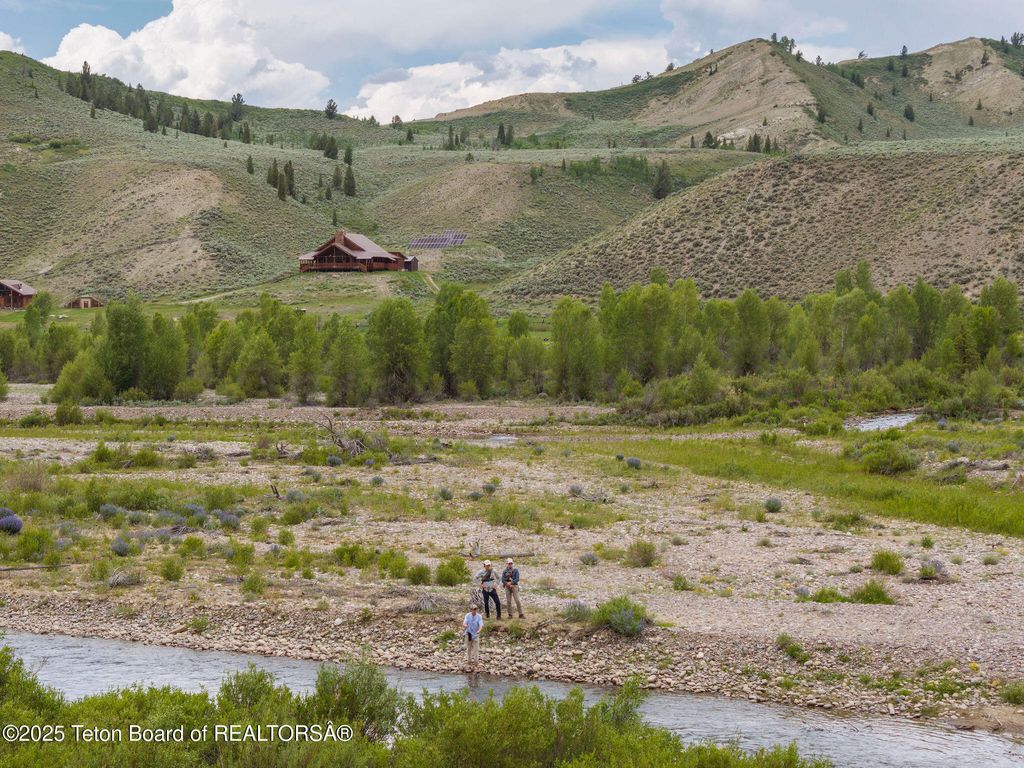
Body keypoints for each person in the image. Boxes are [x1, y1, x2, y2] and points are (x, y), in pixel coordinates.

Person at [463, 604, 483, 670]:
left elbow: (481, 625)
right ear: (470, 609)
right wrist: (465, 625)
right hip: (468, 634)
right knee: (468, 648)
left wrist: (479, 631)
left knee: (476, 649)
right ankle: (469, 662)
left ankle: (476, 663)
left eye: (475, 609)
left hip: (476, 634)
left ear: (476, 609)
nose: (474, 610)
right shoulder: (467, 615)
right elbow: (464, 622)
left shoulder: (479, 616)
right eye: (473, 609)